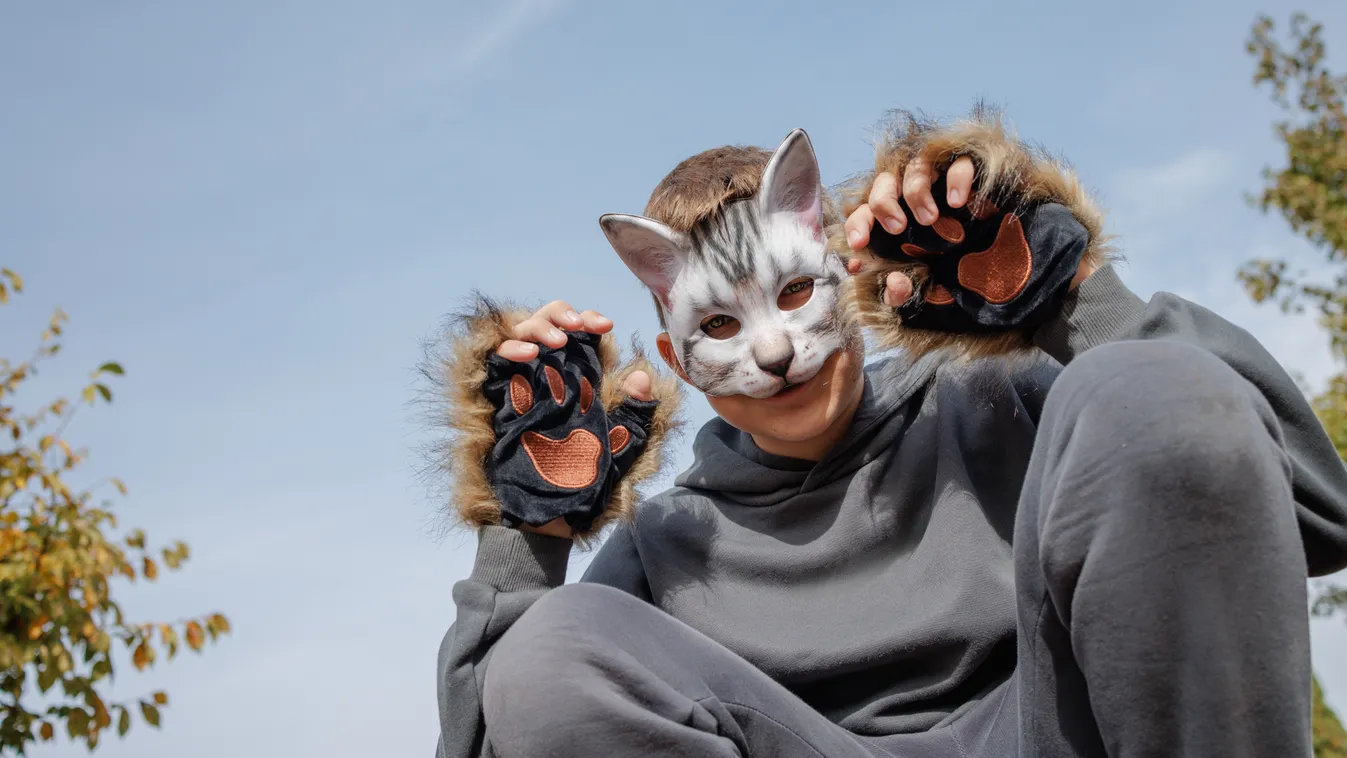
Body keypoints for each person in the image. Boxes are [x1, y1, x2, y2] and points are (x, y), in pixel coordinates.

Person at [430, 108, 1347, 757]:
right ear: (672, 360)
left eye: (794, 292)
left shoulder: (995, 395)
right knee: (551, 646)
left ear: (847, 272)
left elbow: (1317, 514)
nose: (777, 348)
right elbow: (523, 722)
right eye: (719, 327)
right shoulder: (662, 548)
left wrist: (1074, 305)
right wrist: (526, 539)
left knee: (1146, 387)